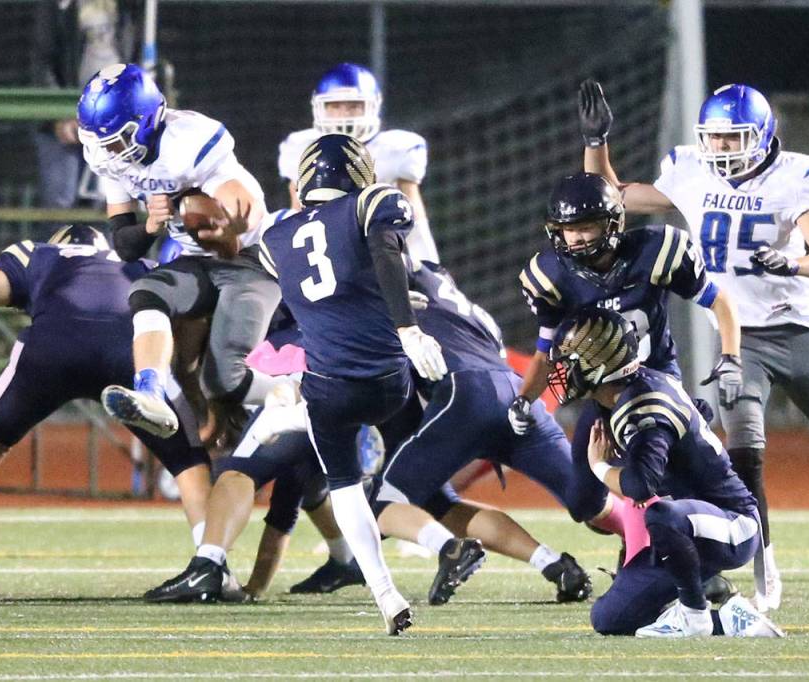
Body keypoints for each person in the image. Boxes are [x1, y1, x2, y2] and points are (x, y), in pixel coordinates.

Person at [152, 134, 446, 635]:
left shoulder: (275, 237)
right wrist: (408, 327)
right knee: (417, 430)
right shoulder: (375, 201)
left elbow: (320, 285)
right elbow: (386, 253)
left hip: (328, 386)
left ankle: (385, 593)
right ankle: (289, 403)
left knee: (344, 484)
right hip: (386, 380)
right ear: (356, 173)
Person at [578, 79, 809, 612]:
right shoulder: (692, 171)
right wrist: (597, 142)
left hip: (796, 331)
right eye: (716, 138)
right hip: (737, 338)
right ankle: (764, 567)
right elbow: (612, 200)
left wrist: (793, 263)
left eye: (734, 138)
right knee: (745, 455)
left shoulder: (794, 176)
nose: (722, 149)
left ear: (763, 135)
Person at [0, 225, 213, 597]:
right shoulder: (139, 265)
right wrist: (194, 387)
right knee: (188, 460)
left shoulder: (37, 255)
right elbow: (185, 320)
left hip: (52, 346)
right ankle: (210, 559)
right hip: (127, 347)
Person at [509, 172, 743, 544]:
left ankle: (677, 557)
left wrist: (731, 356)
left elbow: (719, 300)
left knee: (656, 483)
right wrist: (524, 399)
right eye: (570, 228)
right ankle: (641, 542)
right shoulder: (549, 276)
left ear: (614, 222)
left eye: (587, 226)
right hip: (604, 391)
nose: (579, 236)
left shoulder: (657, 250)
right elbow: (545, 351)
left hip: (656, 384)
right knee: (583, 501)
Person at [76, 63, 285, 442]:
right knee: (146, 292)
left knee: (224, 380)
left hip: (250, 260)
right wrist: (151, 226)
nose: (106, 152)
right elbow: (124, 245)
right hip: (195, 261)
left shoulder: (188, 139)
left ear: (146, 122)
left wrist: (228, 224)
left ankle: (309, 397)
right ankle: (151, 393)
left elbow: (243, 198)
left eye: (115, 140)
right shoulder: (113, 160)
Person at [546, 307, 782, 638]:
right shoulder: (620, 396)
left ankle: (694, 613)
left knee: (659, 514)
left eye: (569, 361)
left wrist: (600, 466)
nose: (562, 371)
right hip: (687, 528)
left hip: (731, 524)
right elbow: (698, 410)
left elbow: (641, 486)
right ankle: (732, 623)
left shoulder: (643, 406)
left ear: (599, 365)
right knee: (609, 618)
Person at [374, 259, 592, 605]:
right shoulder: (472, 314)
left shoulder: (404, 308)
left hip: (468, 396)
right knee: (591, 498)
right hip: (519, 394)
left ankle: (449, 548)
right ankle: (556, 565)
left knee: (384, 503)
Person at [278, 63, 439, 263]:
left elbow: (414, 217)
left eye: (353, 106)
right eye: (335, 106)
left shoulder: (395, 148)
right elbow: (298, 213)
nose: (344, 115)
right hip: (324, 252)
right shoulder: (301, 146)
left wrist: (426, 265)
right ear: (319, 107)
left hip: (381, 250)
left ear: (373, 106)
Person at [30, 0, 141, 208]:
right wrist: (59, 115)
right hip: (65, 119)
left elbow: (137, 56)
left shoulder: (130, 9)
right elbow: (43, 60)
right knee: (60, 202)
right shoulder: (57, 7)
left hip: (113, 118)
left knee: (108, 205)